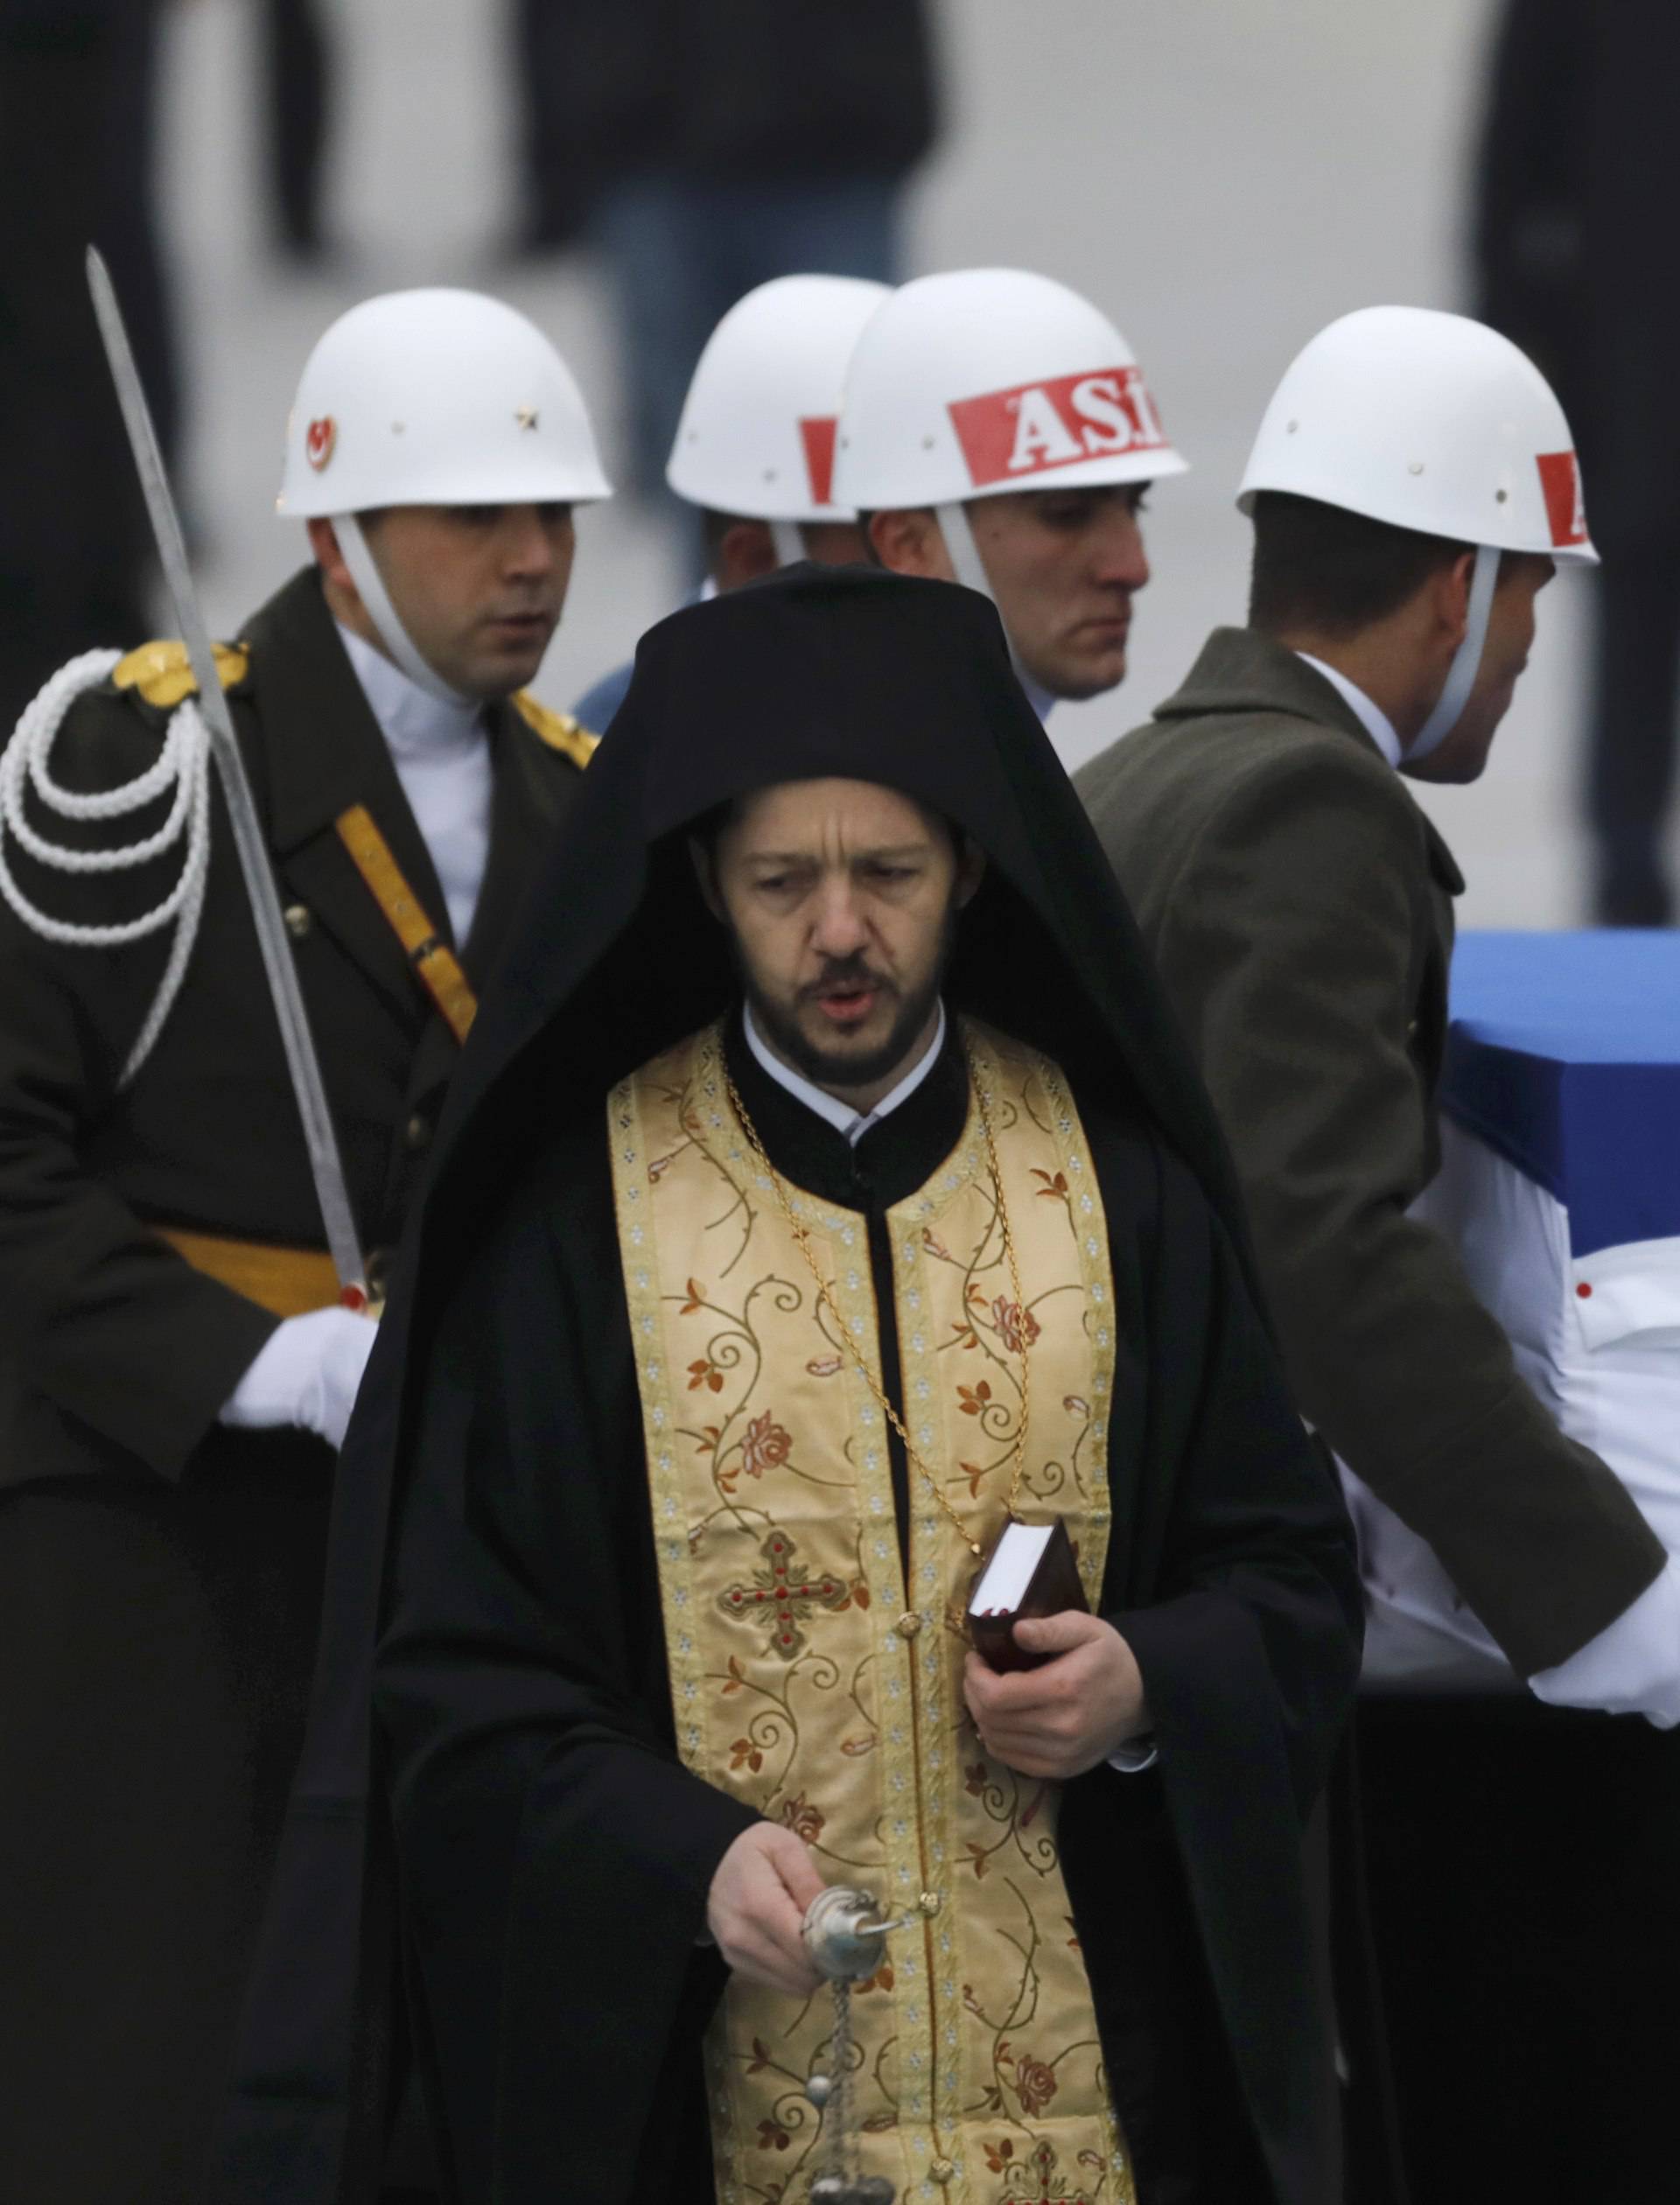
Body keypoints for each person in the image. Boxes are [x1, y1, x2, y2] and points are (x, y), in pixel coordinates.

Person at [222, 564, 1361, 2205]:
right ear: (702, 880)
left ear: (970, 865)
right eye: (782, 881)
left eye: (888, 872)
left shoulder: (1124, 1193)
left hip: (1101, 2114)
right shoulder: (575, 1234)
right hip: (706, 2112)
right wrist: (680, 1862)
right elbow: (461, 1688)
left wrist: (1142, 1690)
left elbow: (1293, 1576)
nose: (841, 930)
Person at [0, 286, 610, 2205]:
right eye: (474, 523)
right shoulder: (137, 765)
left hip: (436, 1525)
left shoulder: (579, 806)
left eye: (559, 520)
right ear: (338, 534)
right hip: (152, 1516)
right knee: (142, 2047)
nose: (532, 565)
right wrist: (251, 1358)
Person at [1076, 305, 1680, 2204]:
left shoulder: (1155, 772)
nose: (1519, 657)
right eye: (1528, 607)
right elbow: (1323, 1251)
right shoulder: (1304, 807)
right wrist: (1598, 1591)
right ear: (1457, 585)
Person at [1473, 0, 1680, 924]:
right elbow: (1509, 171)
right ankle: (1624, 881)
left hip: (1628, 352)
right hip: (1633, 365)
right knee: (1634, 621)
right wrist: (1519, 375)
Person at [832, 268, 1186, 718]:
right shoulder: (870, 780)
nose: (1133, 569)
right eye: (1066, 513)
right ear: (911, 546)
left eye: (1136, 504)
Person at [571, 270, 889, 733]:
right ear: (758, 560)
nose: (942, 574)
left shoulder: (983, 704)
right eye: (893, 548)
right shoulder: (610, 761)